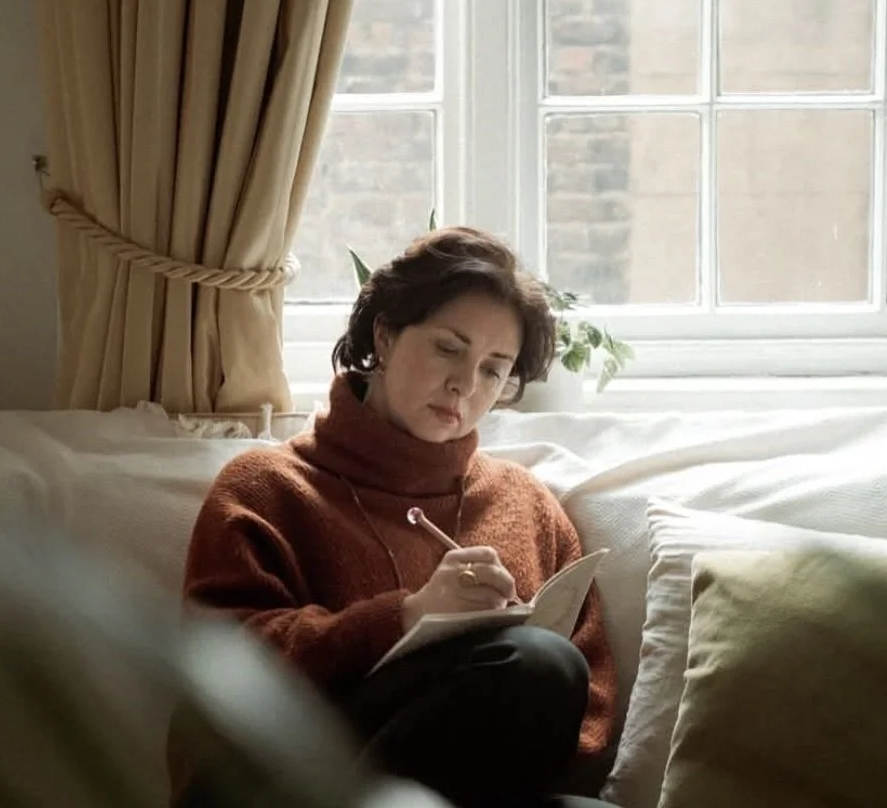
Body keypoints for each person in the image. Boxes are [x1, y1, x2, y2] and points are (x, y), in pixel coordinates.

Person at [173, 227, 618, 808]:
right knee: (538, 662)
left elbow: (589, 703)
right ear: (384, 336)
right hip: (291, 783)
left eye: (493, 369)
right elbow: (219, 674)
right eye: (448, 348)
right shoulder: (266, 488)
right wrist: (407, 616)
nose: (465, 384)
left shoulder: (526, 505)